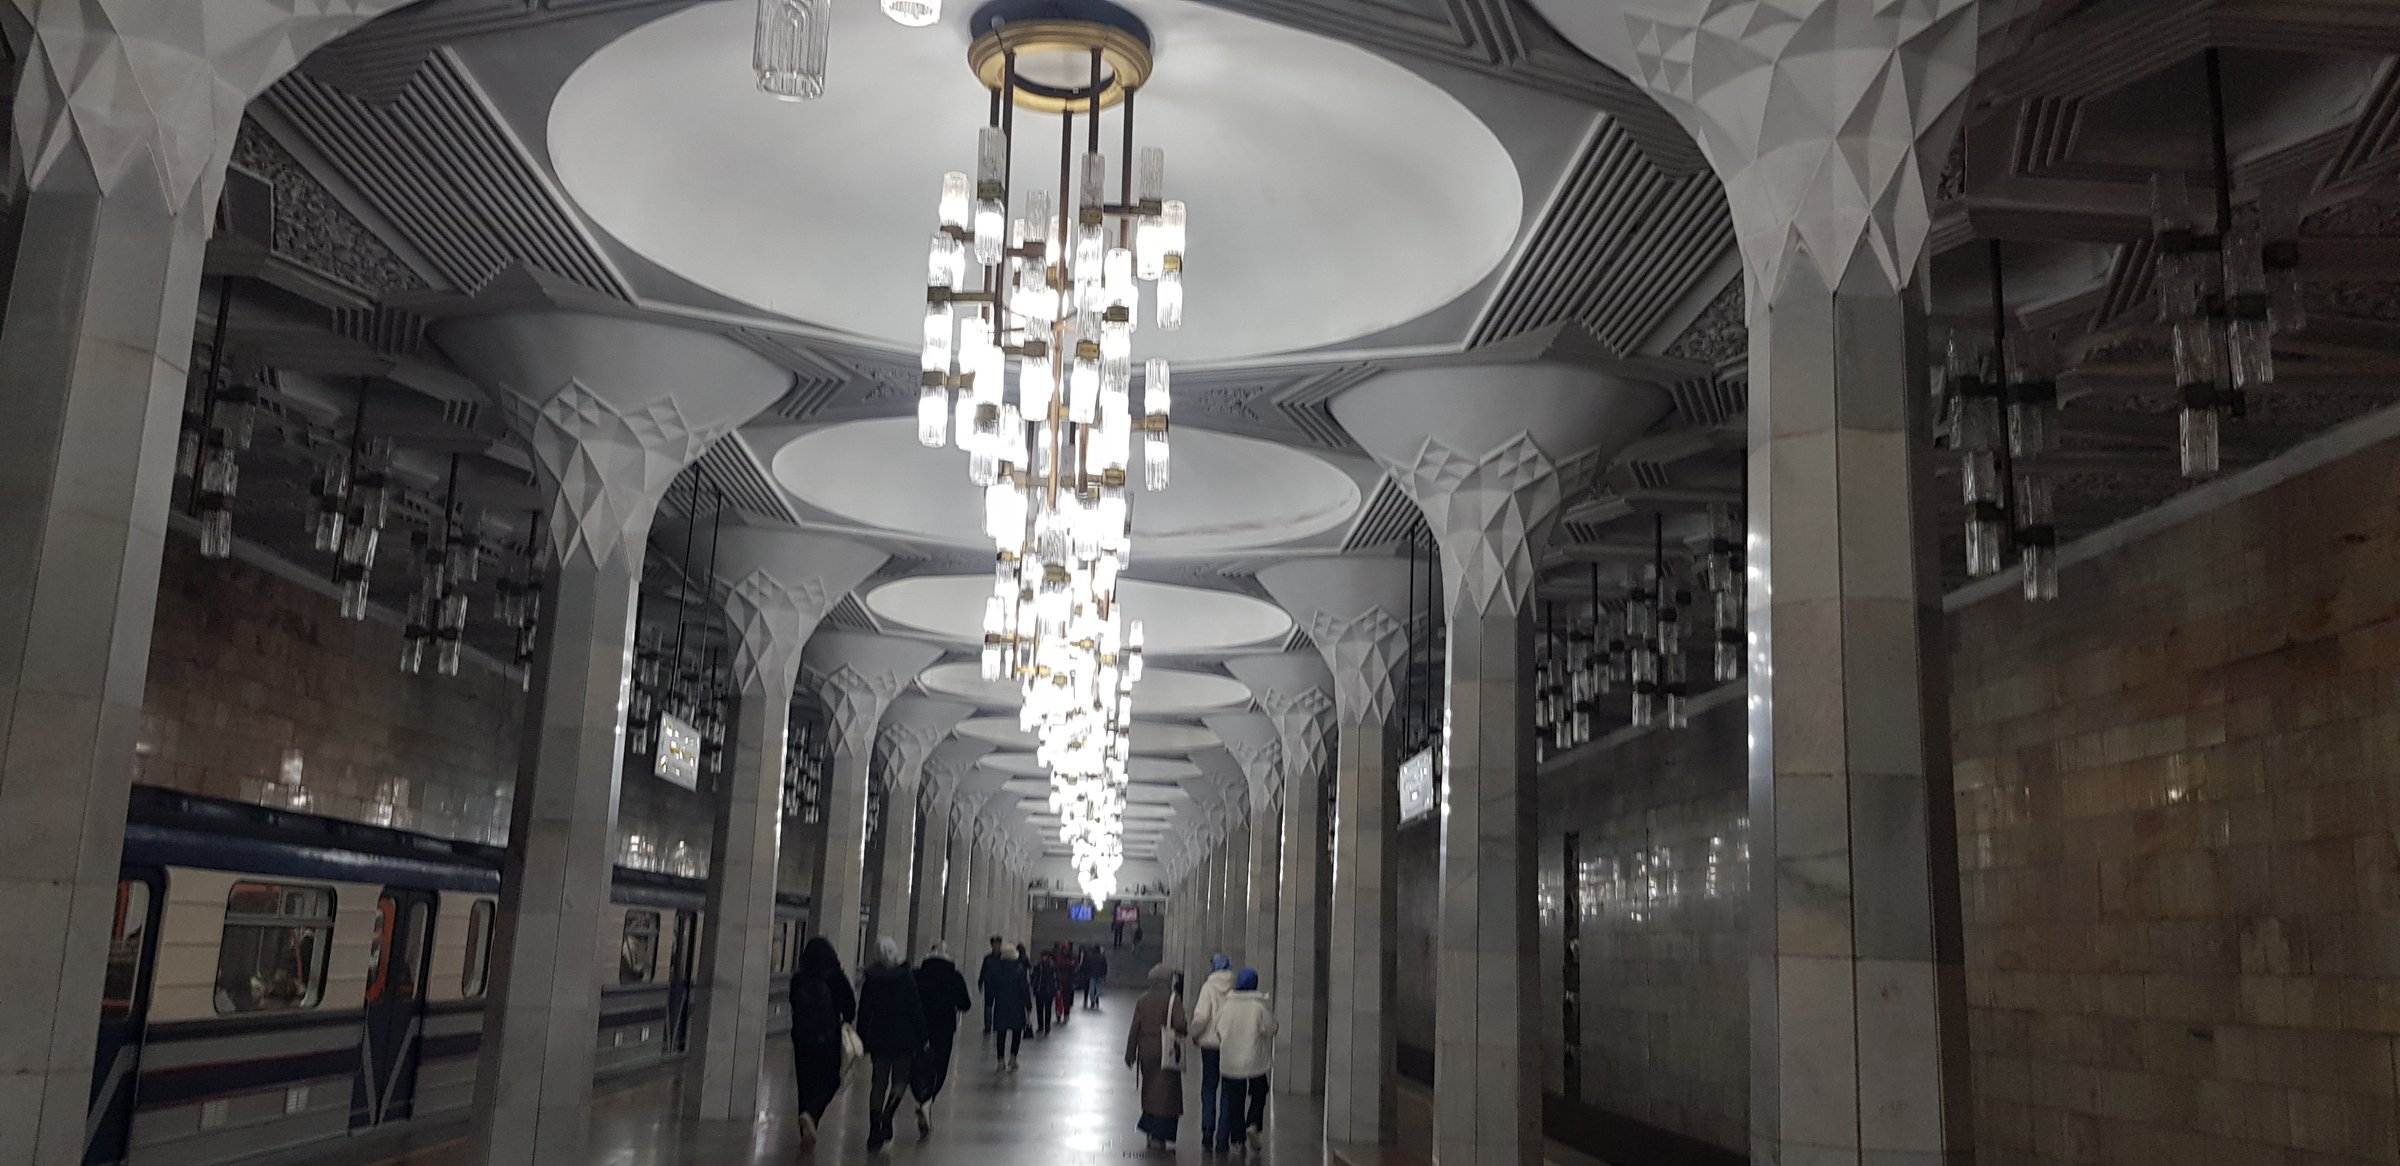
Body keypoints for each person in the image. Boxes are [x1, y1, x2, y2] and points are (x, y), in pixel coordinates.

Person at [854, 936, 927, 1152]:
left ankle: (873, 1130)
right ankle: (888, 1114)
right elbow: (916, 1009)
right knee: (900, 1080)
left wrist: (862, 1038)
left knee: (878, 1083)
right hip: (904, 1038)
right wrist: (923, 1036)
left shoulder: (871, 979)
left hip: (879, 1038)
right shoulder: (906, 977)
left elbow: (864, 1011)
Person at [788, 935, 857, 1146]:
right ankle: (812, 1114)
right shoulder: (835, 978)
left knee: (805, 1084)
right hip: (828, 1038)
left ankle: (806, 1130)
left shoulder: (798, 980)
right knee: (831, 1079)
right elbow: (850, 1007)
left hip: (802, 1039)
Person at [910, 941, 974, 1137]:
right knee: (940, 1066)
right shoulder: (954, 976)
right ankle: (928, 1100)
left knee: (918, 1064)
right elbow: (965, 1004)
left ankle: (921, 1096)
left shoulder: (917, 974)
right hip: (944, 1027)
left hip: (919, 1026)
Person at [1210, 969, 1277, 1154]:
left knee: (1235, 1102)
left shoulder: (1227, 1006)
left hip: (1231, 1061)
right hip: (1254, 1060)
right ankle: (1253, 1123)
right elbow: (1272, 1028)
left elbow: (1217, 1029)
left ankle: (1237, 1141)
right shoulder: (1258, 1007)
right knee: (1260, 1090)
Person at [1123, 963, 1188, 1151]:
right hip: (1165, 1049)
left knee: (1150, 1089)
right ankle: (1159, 1134)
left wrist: (1130, 1053)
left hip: (1146, 1049)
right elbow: (1180, 1025)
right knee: (1166, 1094)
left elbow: (1135, 1028)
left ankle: (1149, 1128)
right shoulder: (1173, 999)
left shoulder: (1142, 999)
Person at [1186, 954, 1236, 1147]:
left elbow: (1201, 1016)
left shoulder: (1208, 987)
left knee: (1209, 1086)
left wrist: (1194, 1034)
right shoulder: (1234, 986)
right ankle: (1223, 1137)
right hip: (1229, 1044)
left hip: (1209, 1045)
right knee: (1227, 1090)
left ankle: (1207, 1129)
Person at [987, 944, 1033, 1070]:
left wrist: (989, 1003)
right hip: (1017, 1006)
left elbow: (991, 988)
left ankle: (1000, 1060)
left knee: (1001, 1033)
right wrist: (1028, 1005)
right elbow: (1024, 989)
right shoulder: (1020, 970)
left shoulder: (996, 970)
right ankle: (1013, 1058)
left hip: (1001, 1005)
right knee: (1016, 1032)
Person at [976, 935, 1007, 1033]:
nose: (996, 946)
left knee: (999, 1006)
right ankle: (988, 1026)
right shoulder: (987, 958)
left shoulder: (1004, 958)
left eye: (998, 944)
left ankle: (997, 1025)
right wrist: (980, 982)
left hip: (1000, 985)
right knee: (988, 1006)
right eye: (994, 944)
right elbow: (983, 970)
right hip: (989, 984)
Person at [1028, 952, 1059, 1036]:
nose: (1044, 958)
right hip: (1040, 990)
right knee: (1040, 1009)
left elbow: (1057, 978)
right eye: (1043, 956)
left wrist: (1057, 989)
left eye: (1045, 956)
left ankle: (1046, 1026)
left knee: (1047, 1010)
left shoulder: (1052, 967)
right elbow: (1033, 976)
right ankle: (1041, 1026)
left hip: (1048, 991)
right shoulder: (1038, 966)